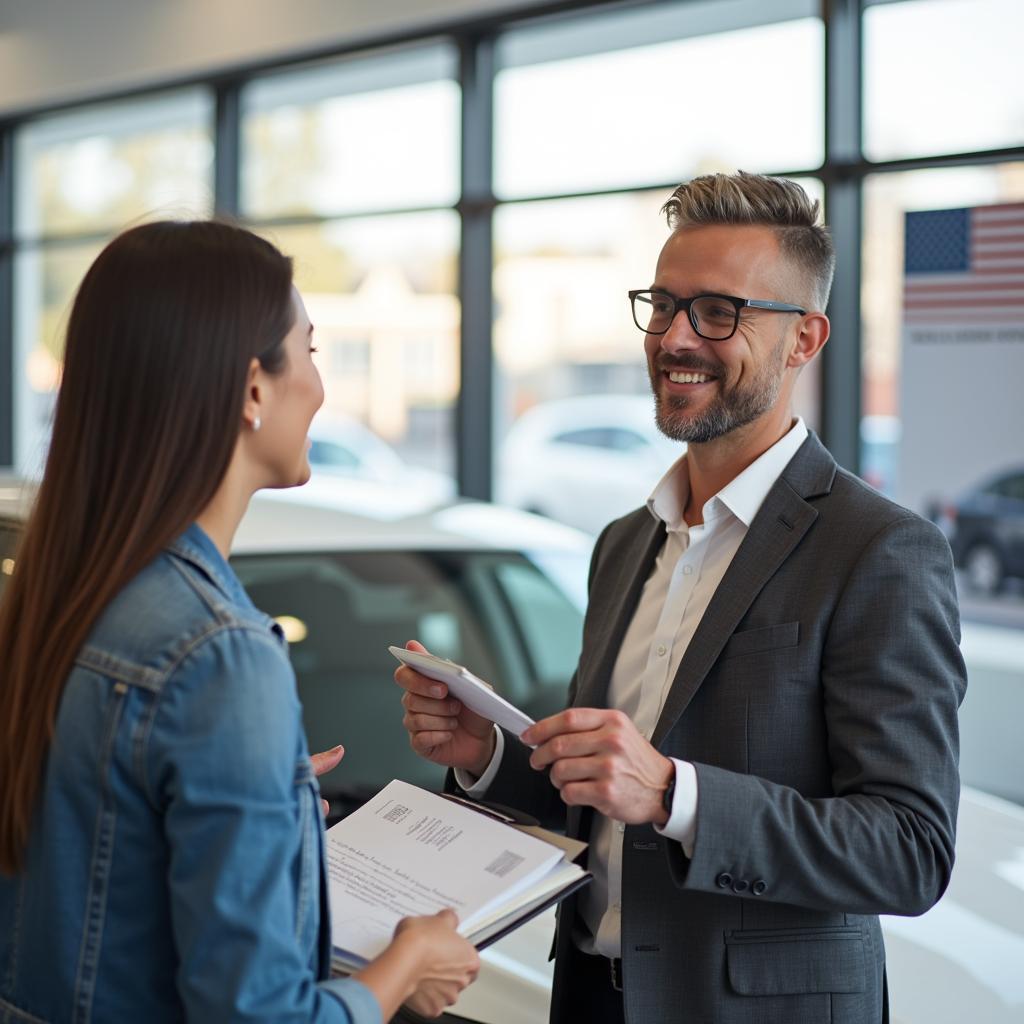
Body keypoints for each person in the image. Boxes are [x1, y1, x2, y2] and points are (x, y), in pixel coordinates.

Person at [394, 171, 966, 1024]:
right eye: (662, 305)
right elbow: (601, 797)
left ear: (804, 340)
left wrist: (675, 795)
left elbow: (911, 850)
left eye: (718, 312)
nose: (675, 338)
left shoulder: (880, 550)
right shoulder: (625, 544)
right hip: (591, 997)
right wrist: (489, 754)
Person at [0, 221, 479, 1023]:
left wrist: (270, 800)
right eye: (312, 352)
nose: (322, 388)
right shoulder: (216, 655)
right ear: (253, 388)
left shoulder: (54, 600)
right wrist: (403, 968)